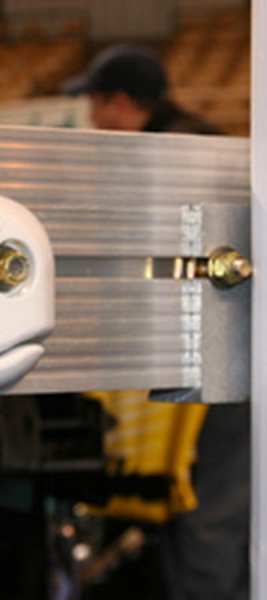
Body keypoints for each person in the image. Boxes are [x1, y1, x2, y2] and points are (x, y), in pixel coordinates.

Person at [64, 44, 249, 600]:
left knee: (206, 511)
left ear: (120, 104)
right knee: (214, 507)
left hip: (223, 368)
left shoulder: (168, 162)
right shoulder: (199, 146)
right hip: (227, 358)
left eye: (95, 106)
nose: (93, 121)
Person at [63, 43, 219, 134]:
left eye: (95, 105)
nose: (91, 117)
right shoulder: (181, 135)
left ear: (120, 104)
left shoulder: (171, 152)